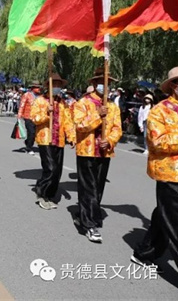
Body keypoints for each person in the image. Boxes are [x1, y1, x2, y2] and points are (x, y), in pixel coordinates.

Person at [131, 66, 178, 271]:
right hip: (170, 172)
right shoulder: (160, 110)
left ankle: (145, 252)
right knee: (177, 220)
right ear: (173, 86)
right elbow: (157, 141)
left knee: (165, 213)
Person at [72, 66, 122, 243]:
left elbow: (117, 128)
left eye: (107, 84)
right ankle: (89, 224)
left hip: (104, 151)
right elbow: (79, 125)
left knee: (98, 187)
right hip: (86, 151)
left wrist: (109, 140)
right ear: (94, 83)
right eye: (101, 83)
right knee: (88, 187)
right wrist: (97, 116)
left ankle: (86, 213)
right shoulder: (83, 103)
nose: (104, 86)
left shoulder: (113, 107)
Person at [30, 74, 75, 210]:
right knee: (50, 168)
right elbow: (34, 118)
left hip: (59, 140)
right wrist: (46, 113)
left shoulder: (62, 103)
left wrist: (71, 136)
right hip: (45, 139)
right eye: (54, 85)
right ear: (48, 86)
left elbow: (68, 121)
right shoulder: (40, 101)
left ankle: (50, 194)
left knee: (57, 171)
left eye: (58, 85)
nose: (56, 88)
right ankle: (42, 194)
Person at [18, 81, 41, 155]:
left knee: (35, 133)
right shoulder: (27, 95)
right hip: (28, 116)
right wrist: (19, 114)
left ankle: (28, 141)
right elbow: (22, 104)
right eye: (37, 87)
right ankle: (29, 147)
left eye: (39, 87)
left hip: (37, 117)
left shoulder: (40, 96)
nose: (39, 89)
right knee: (31, 132)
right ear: (33, 88)